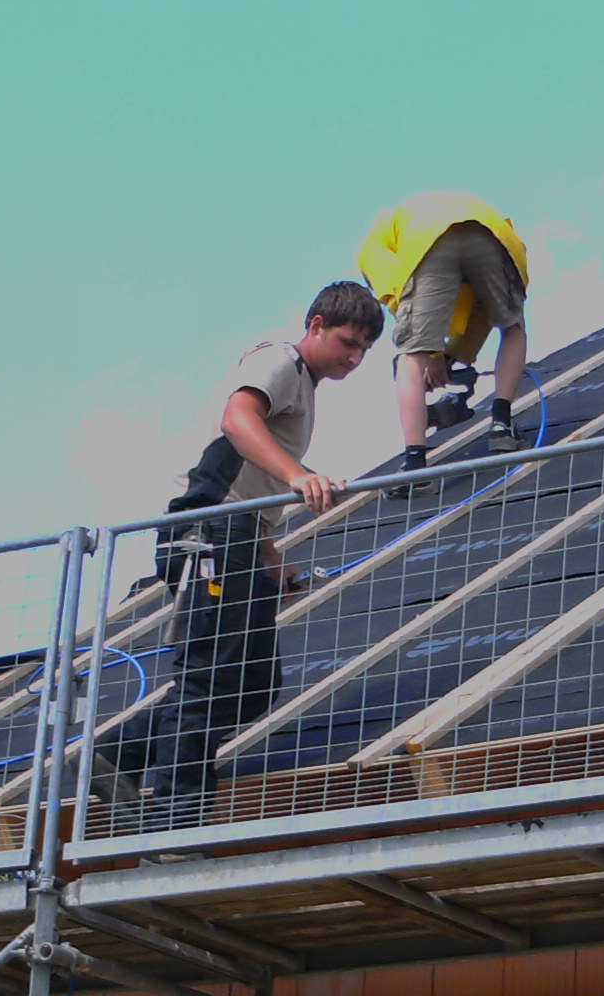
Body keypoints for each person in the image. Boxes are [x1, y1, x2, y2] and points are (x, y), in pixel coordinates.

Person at [92, 281, 384, 820]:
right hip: (208, 531)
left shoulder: (304, 387)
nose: (355, 358)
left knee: (254, 684)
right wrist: (299, 476)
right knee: (208, 676)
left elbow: (247, 483)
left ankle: (118, 755)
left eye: (365, 349)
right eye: (348, 342)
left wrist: (271, 557)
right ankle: (177, 821)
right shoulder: (281, 361)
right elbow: (238, 419)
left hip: (238, 535)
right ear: (316, 325)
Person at [355, 193, 533, 487]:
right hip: (491, 233)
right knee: (513, 328)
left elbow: (399, 300)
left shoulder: (369, 251)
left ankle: (415, 467)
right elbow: (482, 312)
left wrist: (431, 355)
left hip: (430, 236)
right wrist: (450, 357)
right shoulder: (414, 215)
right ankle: (502, 427)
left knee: (411, 357)